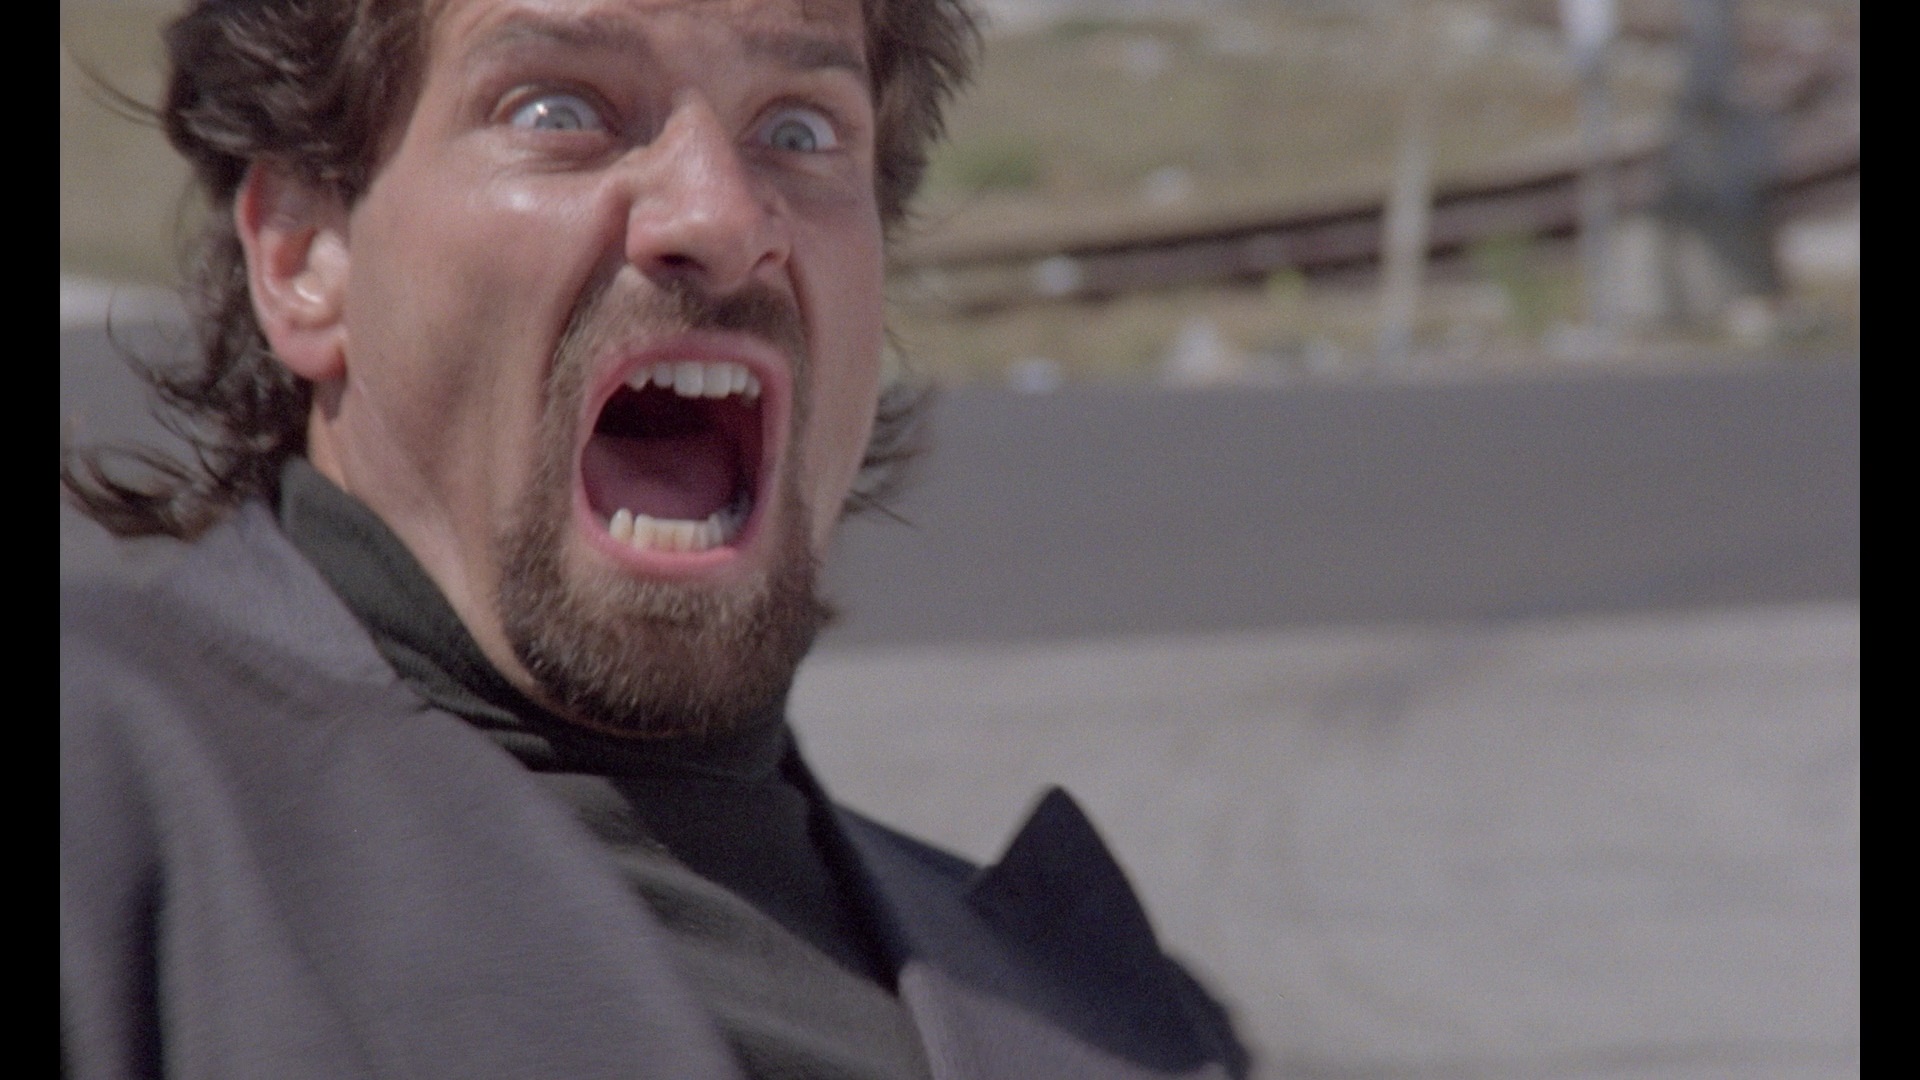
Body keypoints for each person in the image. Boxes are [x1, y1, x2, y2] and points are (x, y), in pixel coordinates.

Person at [59, 0, 1250, 1075]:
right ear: (303, 255)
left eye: (800, 129)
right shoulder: (110, 812)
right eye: (558, 110)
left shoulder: (1126, 1022)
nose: (721, 216)